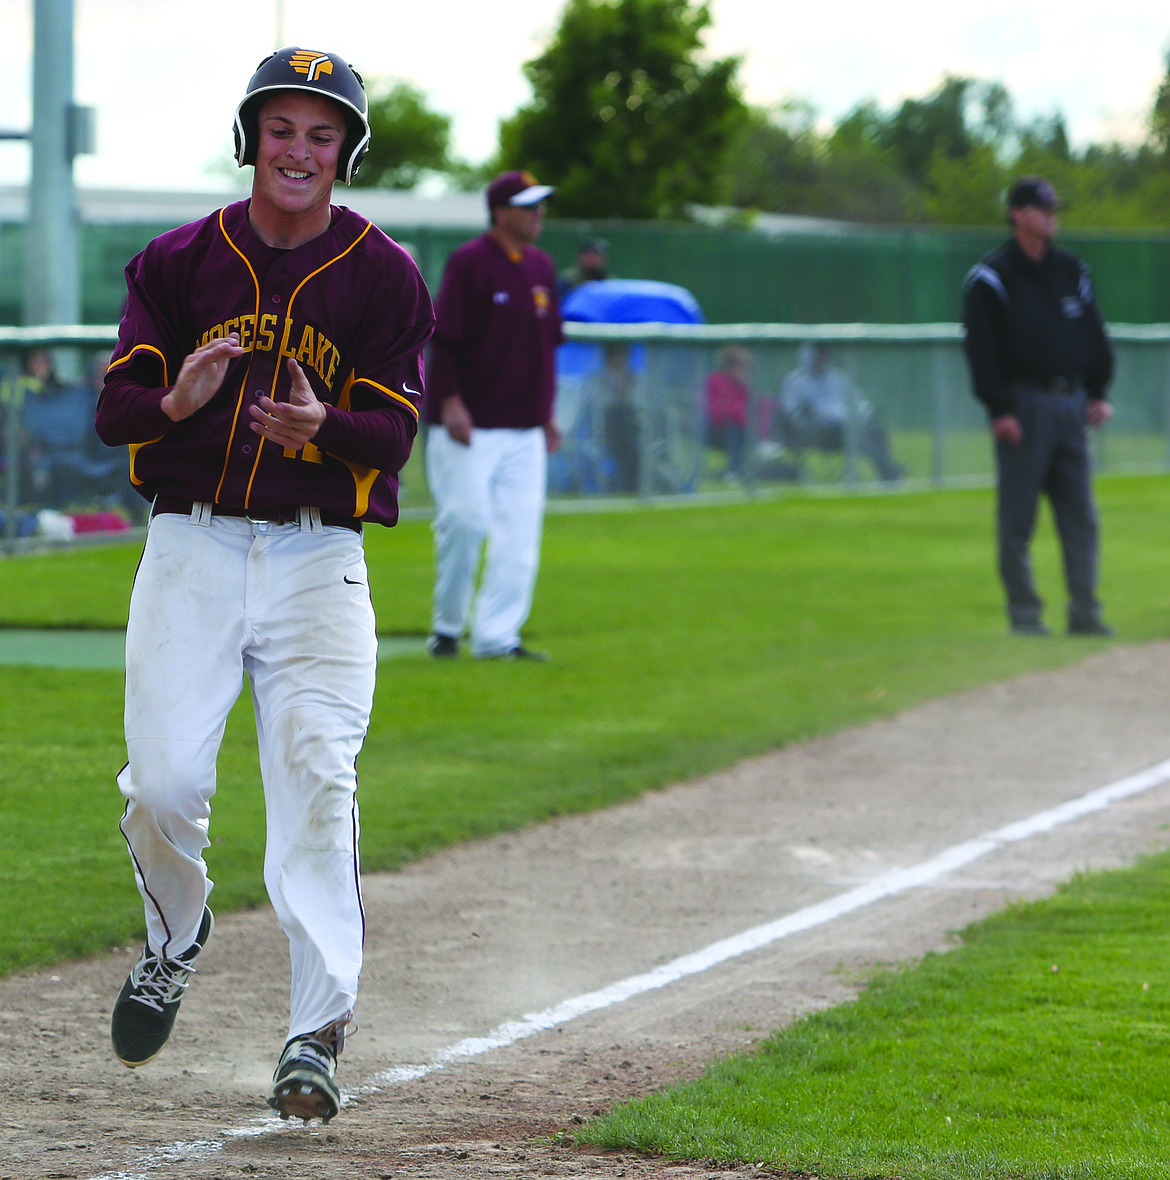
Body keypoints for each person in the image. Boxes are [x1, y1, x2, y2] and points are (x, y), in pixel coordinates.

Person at [93, 47, 434, 1124]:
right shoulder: (179, 259)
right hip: (190, 548)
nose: (299, 149)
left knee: (317, 783)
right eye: (281, 128)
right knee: (161, 785)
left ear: (347, 152)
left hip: (315, 557)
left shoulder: (384, 275)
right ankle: (174, 936)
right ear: (251, 139)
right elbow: (118, 412)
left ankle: (316, 1028)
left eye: (322, 132)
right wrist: (181, 399)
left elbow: (397, 430)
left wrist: (327, 427)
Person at [962, 177, 1114, 637]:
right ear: (1018, 214)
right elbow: (982, 350)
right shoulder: (992, 277)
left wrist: (1099, 390)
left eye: (1054, 209)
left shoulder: (1070, 269)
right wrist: (999, 409)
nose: (1052, 216)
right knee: (1018, 518)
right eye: (1043, 209)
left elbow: (1093, 333)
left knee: (1080, 516)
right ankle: (1025, 615)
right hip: (1023, 406)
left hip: (1071, 402)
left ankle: (1085, 611)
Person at [424, 170, 563, 660]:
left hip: (525, 429)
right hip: (469, 427)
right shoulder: (470, 262)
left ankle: (497, 638)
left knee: (519, 539)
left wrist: (547, 413)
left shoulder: (543, 267)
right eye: (528, 206)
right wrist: (448, 402)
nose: (538, 215)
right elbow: (445, 340)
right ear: (501, 212)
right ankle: (447, 627)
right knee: (465, 523)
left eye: (540, 206)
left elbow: (548, 348)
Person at [776, 343, 903, 484]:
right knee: (856, 433)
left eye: (824, 354)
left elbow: (859, 402)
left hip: (848, 428)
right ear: (807, 356)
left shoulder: (838, 378)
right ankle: (887, 471)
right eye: (818, 353)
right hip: (817, 433)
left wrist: (866, 414)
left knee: (874, 429)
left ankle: (887, 473)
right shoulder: (795, 381)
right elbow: (791, 413)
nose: (822, 357)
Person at [704, 345, 755, 481]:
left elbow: (758, 407)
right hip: (715, 429)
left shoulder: (745, 384)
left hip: (743, 428)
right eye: (741, 365)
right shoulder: (714, 380)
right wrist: (738, 414)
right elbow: (715, 410)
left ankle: (758, 465)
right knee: (734, 428)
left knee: (743, 428)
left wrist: (744, 386)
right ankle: (733, 471)